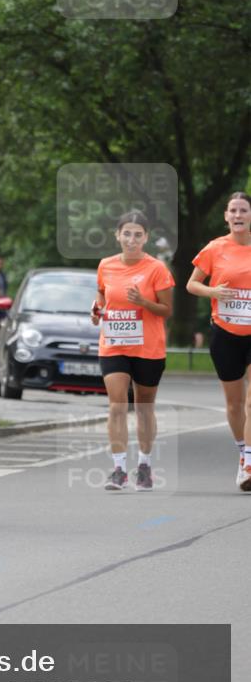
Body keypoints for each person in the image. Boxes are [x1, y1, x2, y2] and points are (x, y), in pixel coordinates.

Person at [91, 211, 175, 491]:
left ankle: (145, 465)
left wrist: (143, 302)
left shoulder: (157, 269)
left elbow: (166, 309)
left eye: (138, 234)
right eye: (126, 233)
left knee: (144, 407)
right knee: (117, 404)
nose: (131, 239)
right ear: (118, 235)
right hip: (114, 343)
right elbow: (103, 295)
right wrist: (97, 309)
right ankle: (118, 469)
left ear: (146, 238)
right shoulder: (106, 265)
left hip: (148, 347)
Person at [187, 191, 251, 492]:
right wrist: (213, 293)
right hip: (225, 335)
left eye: (244, 210)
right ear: (226, 216)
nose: (238, 215)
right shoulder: (215, 248)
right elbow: (192, 284)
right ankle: (243, 453)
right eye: (233, 210)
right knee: (234, 404)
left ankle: (249, 463)